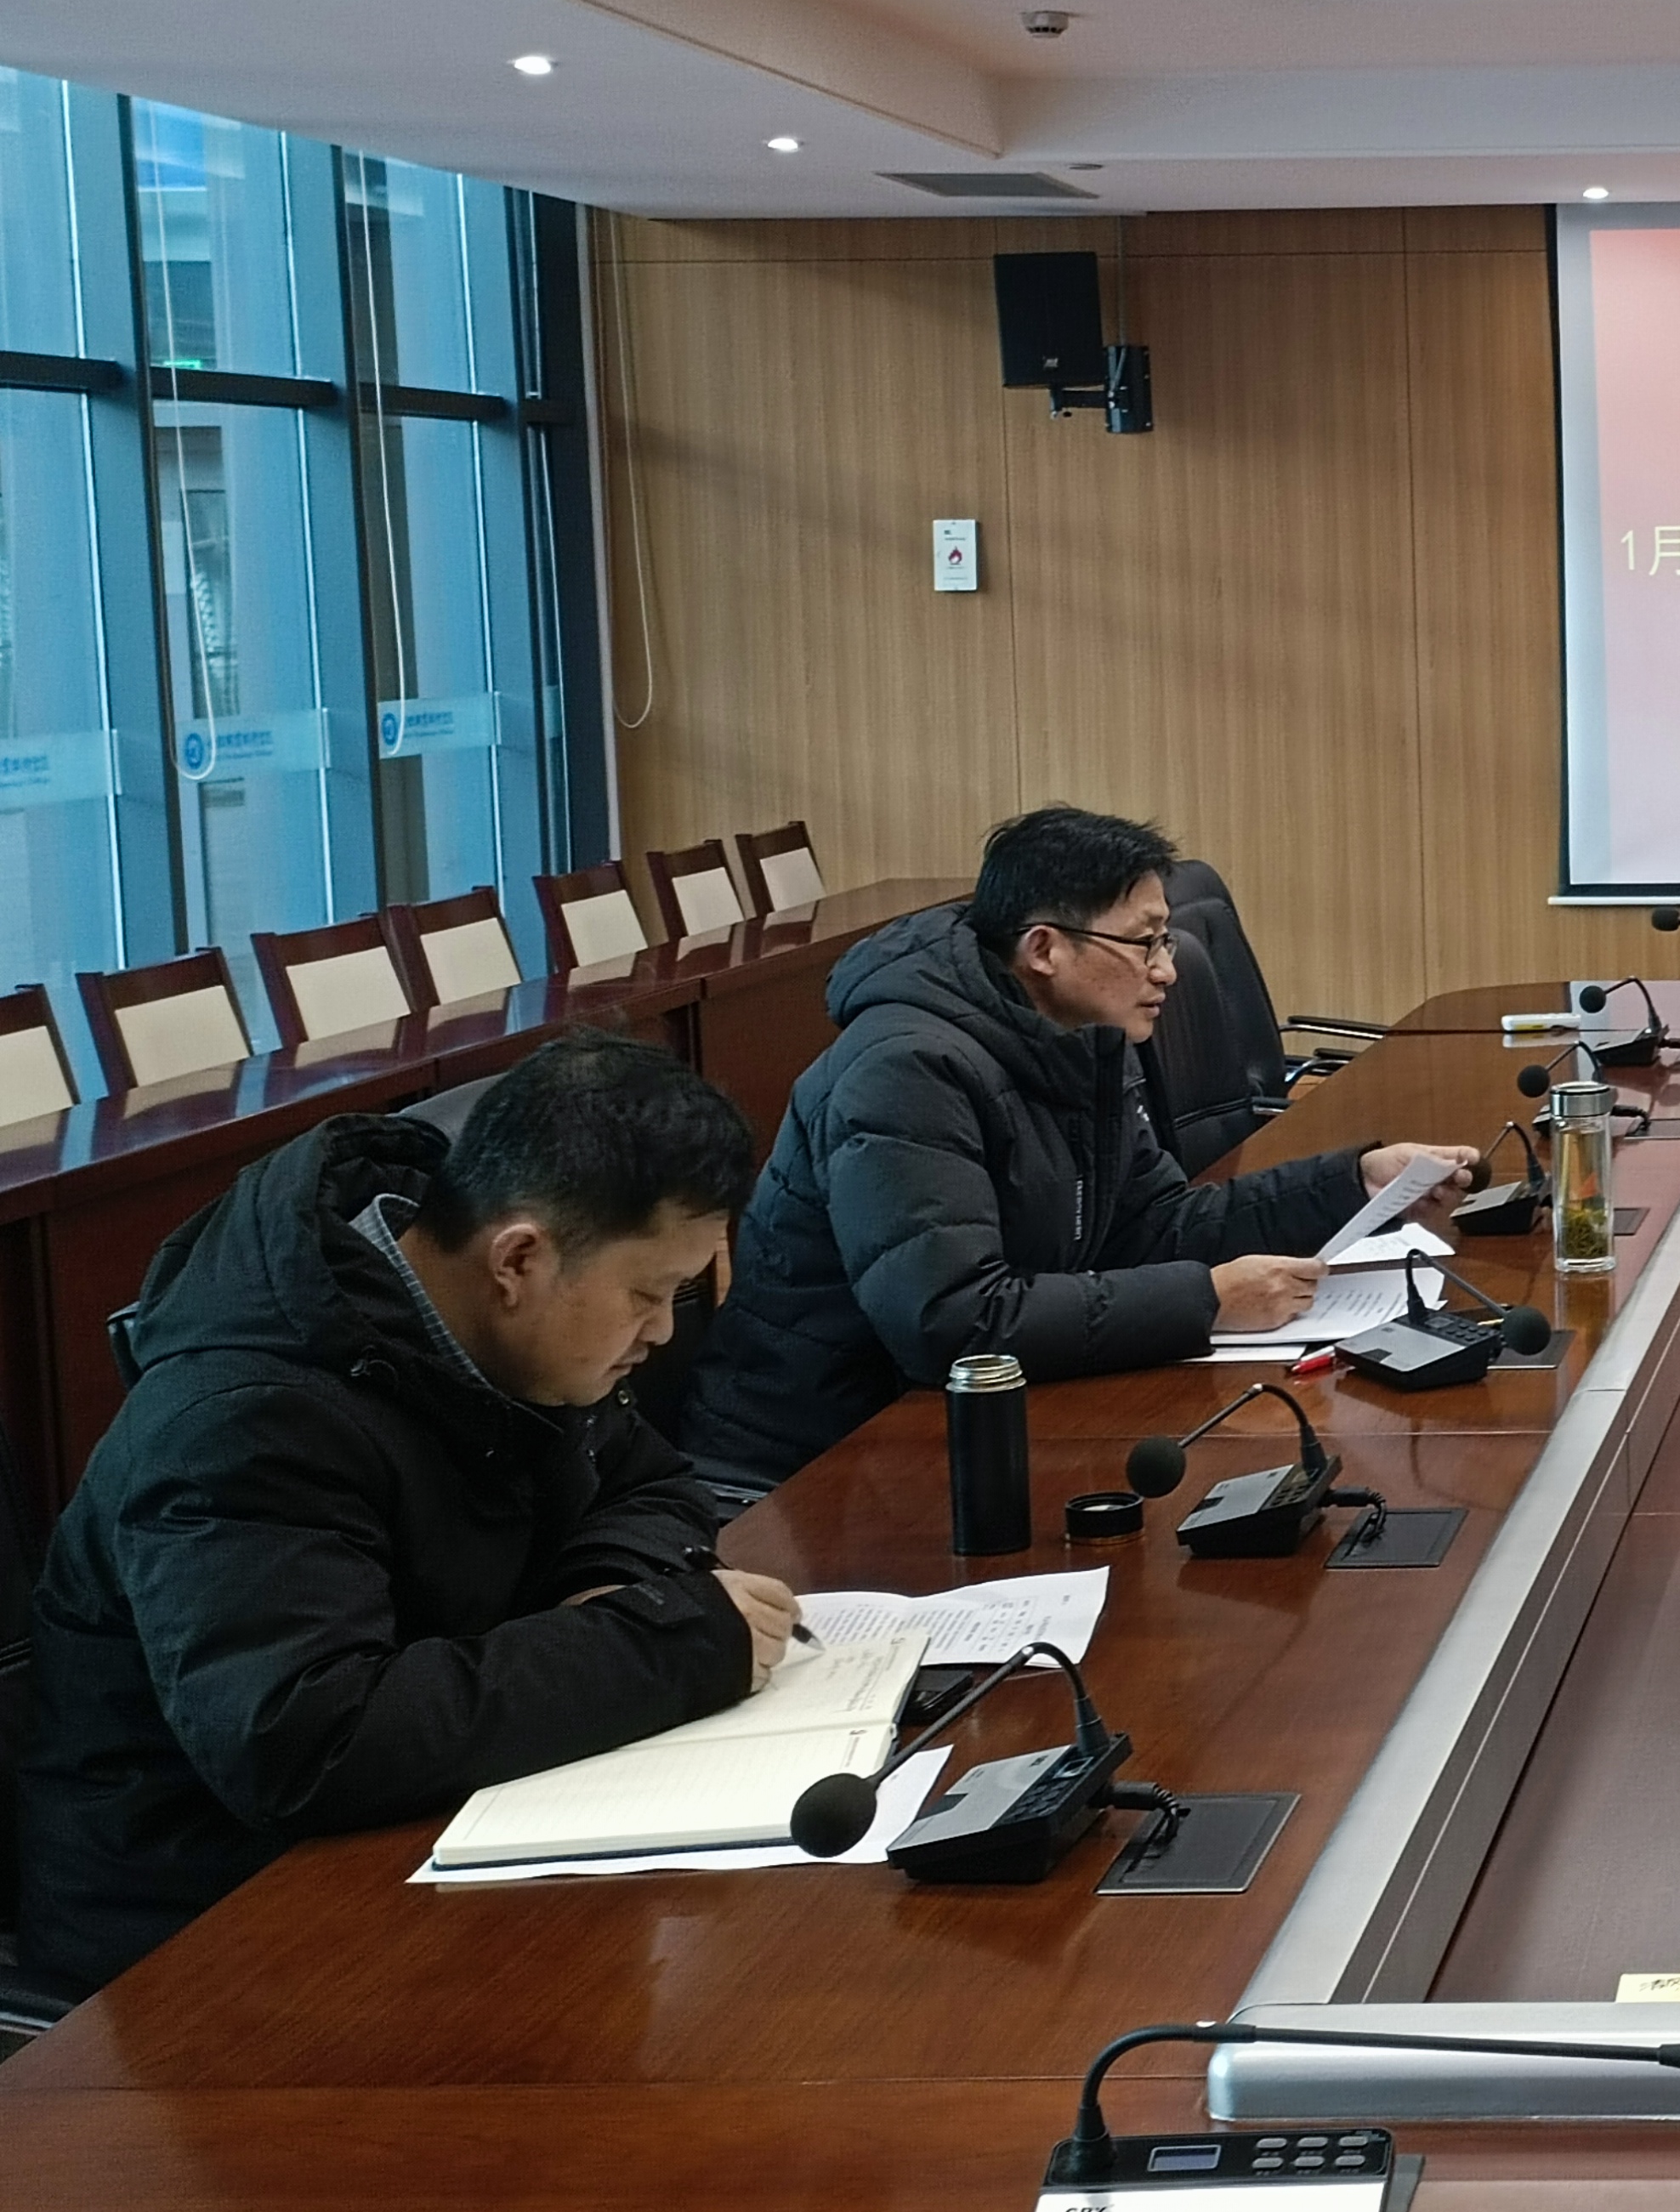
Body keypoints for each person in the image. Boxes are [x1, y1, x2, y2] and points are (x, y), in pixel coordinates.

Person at [16, 1034, 788, 1999]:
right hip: (200, 1931)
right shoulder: (246, 1419)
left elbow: (652, 1484)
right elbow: (306, 1743)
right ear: (518, 1259)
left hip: (413, 1840)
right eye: (648, 1294)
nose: (664, 1330)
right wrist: (655, 1645)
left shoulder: (508, 1336)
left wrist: (606, 1590)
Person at [678, 806, 1471, 1491]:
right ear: (1044, 949)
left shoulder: (1078, 1038)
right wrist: (1205, 1299)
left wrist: (1350, 1184)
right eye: (1145, 943)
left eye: (1166, 940)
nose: (1167, 971)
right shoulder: (905, 1070)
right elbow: (952, 1324)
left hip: (954, 1430)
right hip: (816, 1462)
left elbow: (1155, 1225)